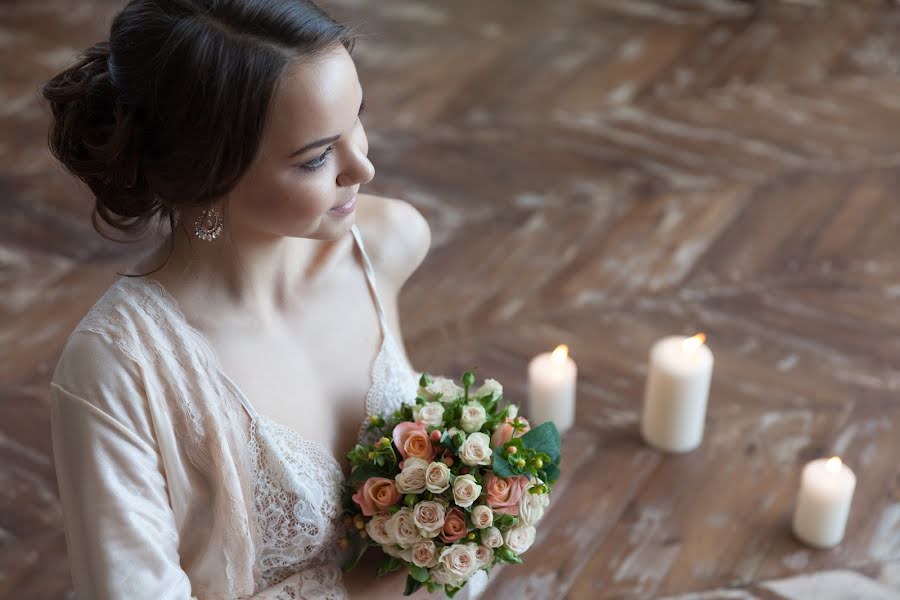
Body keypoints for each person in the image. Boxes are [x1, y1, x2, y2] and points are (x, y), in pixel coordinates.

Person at [40, 0, 492, 597]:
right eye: (316, 157)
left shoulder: (384, 245)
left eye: (357, 117)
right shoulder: (118, 369)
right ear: (210, 175)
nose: (364, 166)